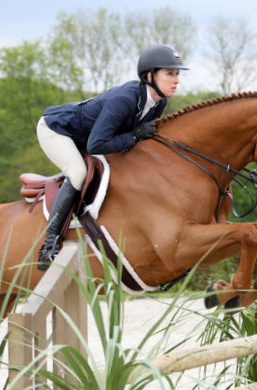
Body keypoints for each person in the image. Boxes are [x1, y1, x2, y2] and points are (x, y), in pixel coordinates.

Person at [35, 44, 187, 271]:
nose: (176, 80)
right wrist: (134, 135)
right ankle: (48, 246)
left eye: (177, 74)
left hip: (88, 135)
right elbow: (96, 145)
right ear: (148, 76)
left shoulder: (158, 102)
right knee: (78, 173)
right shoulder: (125, 98)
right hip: (57, 129)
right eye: (169, 73)